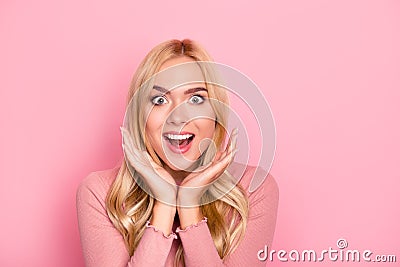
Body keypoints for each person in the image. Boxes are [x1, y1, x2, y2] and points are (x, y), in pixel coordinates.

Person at [76, 39, 279, 267]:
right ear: (138, 115)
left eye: (195, 99)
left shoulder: (253, 189)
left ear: (215, 113)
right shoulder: (100, 193)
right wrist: (164, 205)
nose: (178, 117)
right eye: (160, 100)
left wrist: (189, 205)